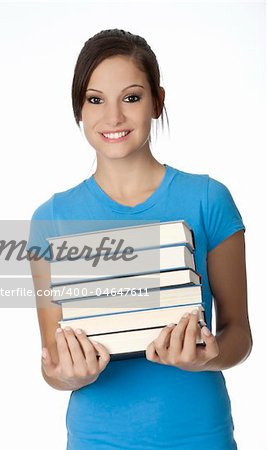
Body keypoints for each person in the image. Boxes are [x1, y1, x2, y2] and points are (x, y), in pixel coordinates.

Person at [27, 29, 252, 450]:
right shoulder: (50, 219)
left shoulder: (208, 199)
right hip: (97, 439)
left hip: (199, 434)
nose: (112, 118)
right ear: (79, 108)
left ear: (157, 102)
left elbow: (240, 334)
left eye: (131, 97)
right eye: (95, 100)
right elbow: (52, 362)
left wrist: (209, 356)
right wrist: (70, 375)